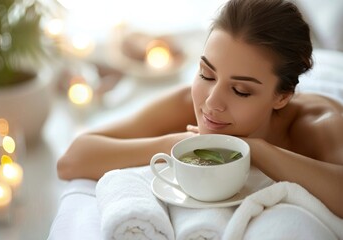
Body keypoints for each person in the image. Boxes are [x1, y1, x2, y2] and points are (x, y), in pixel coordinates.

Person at [57, 0, 343, 218]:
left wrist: (256, 150)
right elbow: (72, 159)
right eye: (207, 74)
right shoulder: (184, 104)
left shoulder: (318, 124)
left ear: (281, 97)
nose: (210, 102)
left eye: (241, 90)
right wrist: (177, 144)